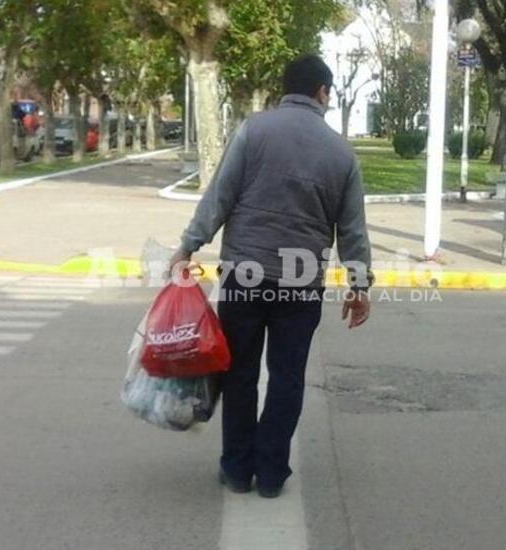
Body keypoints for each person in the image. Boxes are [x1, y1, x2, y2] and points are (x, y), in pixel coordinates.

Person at [170, 54, 373, 499]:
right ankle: (271, 472)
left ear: (286, 88)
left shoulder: (253, 131)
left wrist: (188, 246)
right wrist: (359, 286)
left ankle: (237, 469)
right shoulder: (341, 152)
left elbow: (220, 196)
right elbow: (352, 231)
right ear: (322, 92)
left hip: (244, 275)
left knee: (239, 373)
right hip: (301, 285)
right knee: (287, 377)